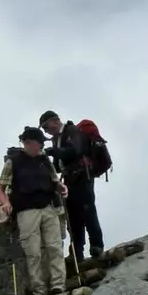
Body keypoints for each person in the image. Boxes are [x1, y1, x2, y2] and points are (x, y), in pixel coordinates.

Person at [0, 128, 68, 295]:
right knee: (33, 251)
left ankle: (58, 284)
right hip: (26, 210)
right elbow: (0, 188)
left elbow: (54, 181)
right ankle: (38, 289)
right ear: (27, 143)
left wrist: (61, 188)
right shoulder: (13, 162)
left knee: (55, 246)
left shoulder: (45, 160)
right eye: (39, 142)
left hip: (49, 207)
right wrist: (6, 203)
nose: (42, 145)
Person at [39, 110, 104, 261]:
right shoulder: (57, 139)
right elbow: (58, 165)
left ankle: (97, 246)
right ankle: (77, 252)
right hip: (69, 179)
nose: (45, 131)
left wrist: (54, 152)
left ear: (55, 121)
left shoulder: (71, 131)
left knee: (88, 211)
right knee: (73, 217)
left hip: (82, 176)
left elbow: (76, 150)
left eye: (45, 127)